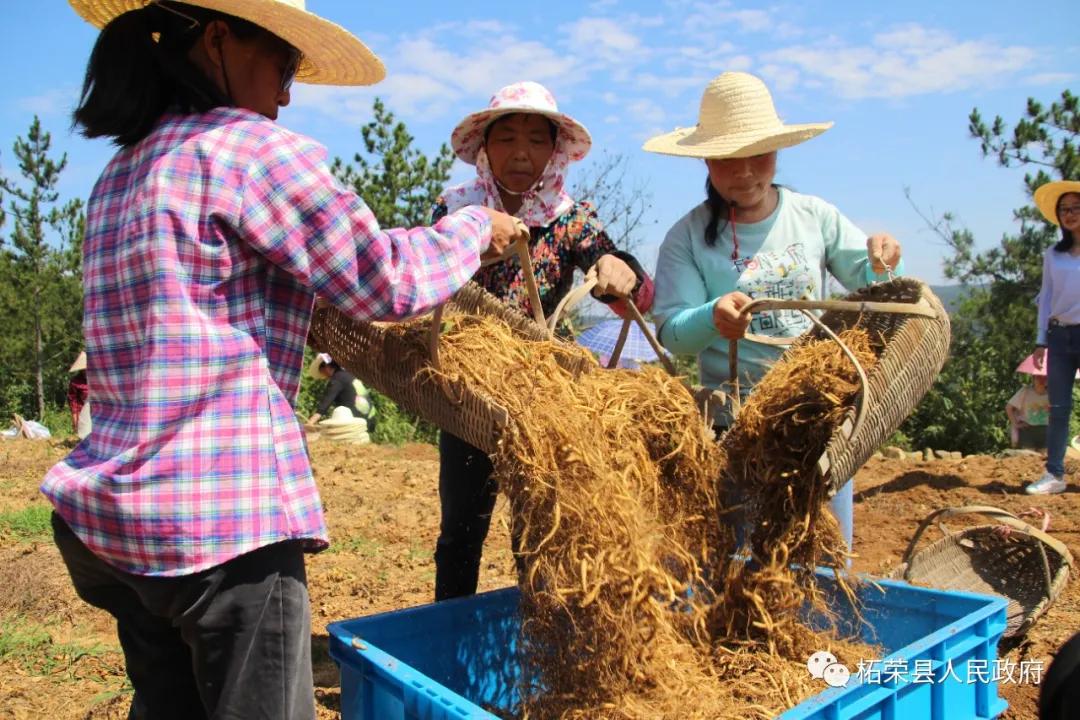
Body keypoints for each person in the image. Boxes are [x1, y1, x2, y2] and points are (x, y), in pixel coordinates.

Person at [41, 2, 525, 718]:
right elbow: (381, 278)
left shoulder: (121, 170)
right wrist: (473, 228)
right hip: (217, 523)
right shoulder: (252, 150)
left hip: (115, 525)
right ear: (218, 40)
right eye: (284, 64)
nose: (288, 92)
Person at [647, 72, 904, 550]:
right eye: (728, 158)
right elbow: (674, 332)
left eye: (757, 153)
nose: (744, 171)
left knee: (823, 555)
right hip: (736, 426)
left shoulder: (813, 217)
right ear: (706, 159)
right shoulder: (686, 238)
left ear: (778, 151)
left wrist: (884, 257)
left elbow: (875, 282)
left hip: (820, 418)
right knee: (743, 559)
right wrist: (713, 316)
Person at [431, 81, 656, 601]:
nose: (521, 153)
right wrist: (475, 247)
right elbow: (427, 278)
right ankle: (448, 638)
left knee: (537, 532)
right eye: (507, 139)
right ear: (485, 149)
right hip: (464, 392)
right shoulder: (457, 211)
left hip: (536, 398)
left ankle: (539, 639)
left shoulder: (569, 218)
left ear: (555, 152)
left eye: (536, 140)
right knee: (461, 529)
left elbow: (619, 272)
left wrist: (617, 271)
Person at [1027, 179, 1080, 494]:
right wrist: (1041, 339)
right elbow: (1045, 298)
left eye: (1075, 208)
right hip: (1060, 337)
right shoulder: (1053, 255)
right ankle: (1054, 475)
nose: (1069, 214)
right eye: (1064, 209)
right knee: (1058, 408)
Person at [307, 352, 376, 434]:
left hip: (358, 423)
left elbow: (324, 405)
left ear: (327, 367)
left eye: (322, 372)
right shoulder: (347, 375)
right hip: (370, 419)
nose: (324, 376)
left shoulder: (337, 380)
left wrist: (310, 423)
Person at [1006, 360, 1049, 450]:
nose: (1041, 380)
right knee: (1028, 458)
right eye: (1038, 377)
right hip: (1028, 430)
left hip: (1046, 431)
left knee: (1045, 459)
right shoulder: (1025, 391)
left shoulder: (1053, 394)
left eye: (1044, 377)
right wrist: (1016, 424)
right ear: (1033, 378)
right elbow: (1009, 407)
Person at [66, 351, 91, 439]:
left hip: (98, 413)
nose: (86, 371)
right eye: (84, 369)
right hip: (83, 413)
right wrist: (75, 418)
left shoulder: (97, 379)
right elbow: (73, 402)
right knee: (84, 437)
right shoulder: (75, 382)